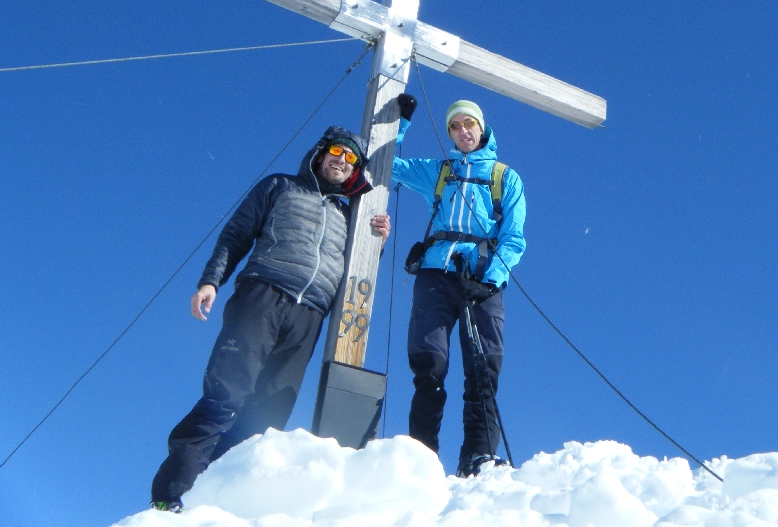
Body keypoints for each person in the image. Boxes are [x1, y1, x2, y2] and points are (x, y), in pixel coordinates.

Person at [150, 126, 390, 512]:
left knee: (268, 412)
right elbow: (236, 234)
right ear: (320, 153)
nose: (341, 161)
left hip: (310, 314)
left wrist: (374, 242)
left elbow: (352, 271)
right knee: (226, 395)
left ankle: (217, 501)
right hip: (263, 294)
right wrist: (211, 281)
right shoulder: (280, 186)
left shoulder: (350, 215)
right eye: (336, 151)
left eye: (351, 159)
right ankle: (170, 495)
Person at [392, 95, 526, 477]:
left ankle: (478, 456)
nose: (462, 130)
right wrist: (400, 125)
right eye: (455, 125)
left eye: (469, 123)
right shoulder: (439, 172)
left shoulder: (505, 177)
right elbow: (388, 166)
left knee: (483, 366)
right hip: (436, 273)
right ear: (450, 133)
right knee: (428, 364)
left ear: (481, 128)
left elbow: (513, 237)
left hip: (482, 279)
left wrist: (490, 279)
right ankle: (421, 458)